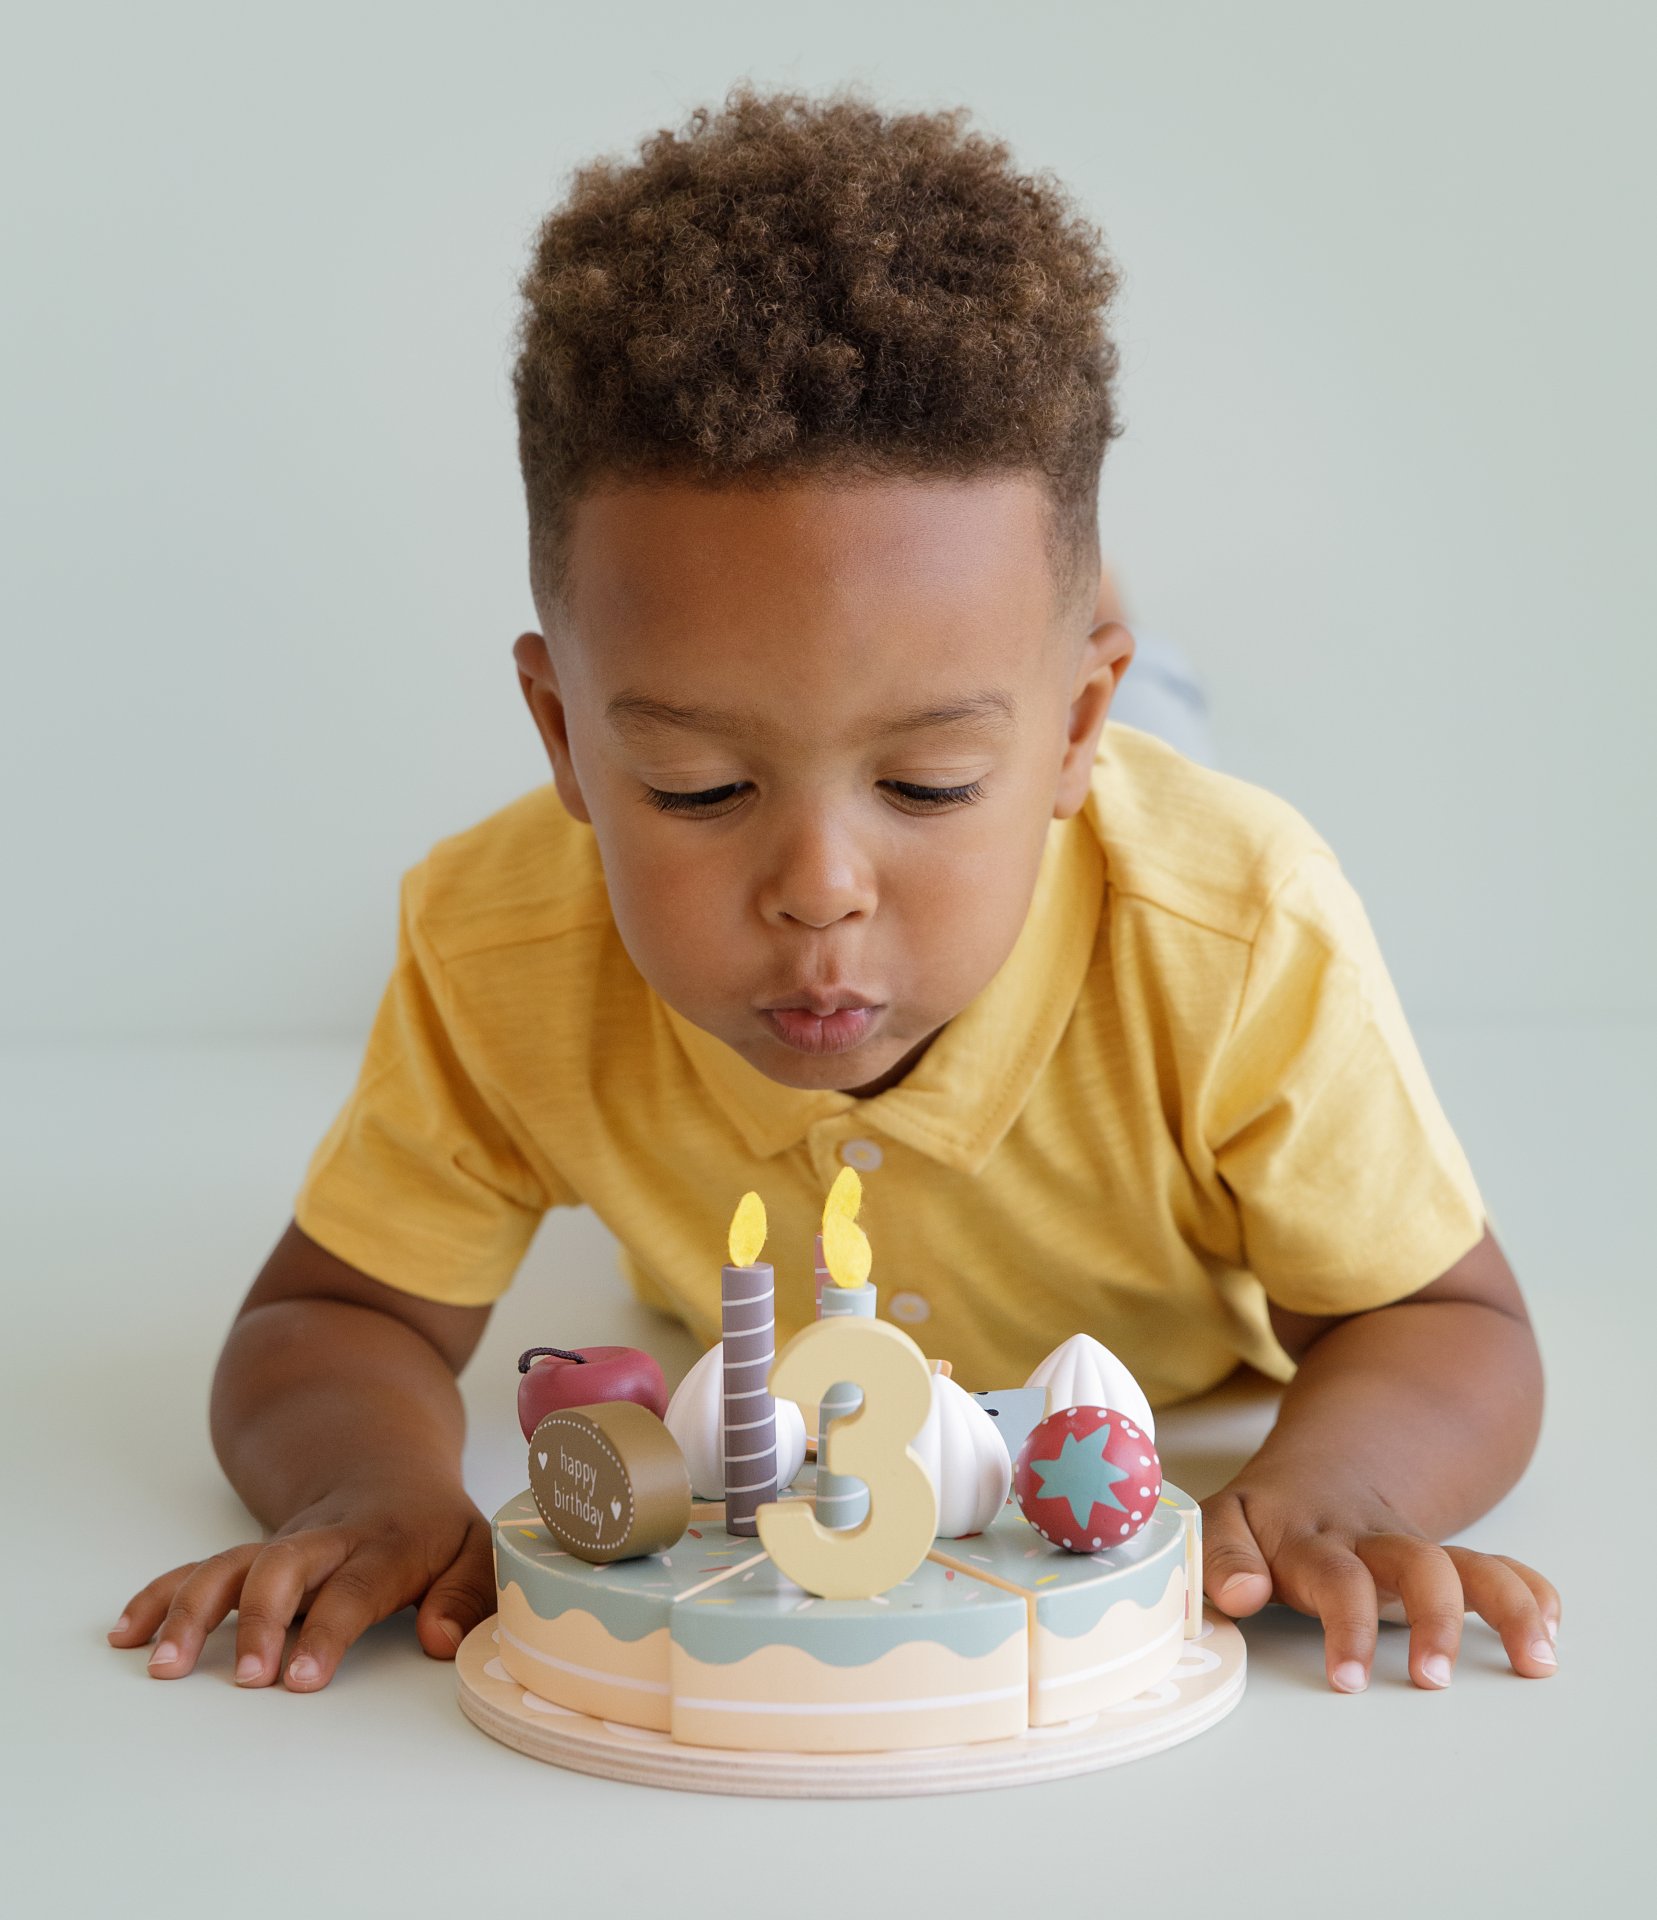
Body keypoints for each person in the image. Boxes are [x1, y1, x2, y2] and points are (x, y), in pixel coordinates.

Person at [110, 84, 1557, 1702]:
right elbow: (322, 1319)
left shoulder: (1236, 930)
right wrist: (371, 1486)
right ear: (560, 738)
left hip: (1112, 813)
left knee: (1147, 752)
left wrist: (1334, 1496)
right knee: (935, 692)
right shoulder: (498, 936)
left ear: (1066, 732)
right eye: (699, 789)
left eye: (922, 789)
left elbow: (1448, 1325)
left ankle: (1114, 692)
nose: (816, 895)